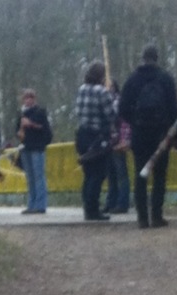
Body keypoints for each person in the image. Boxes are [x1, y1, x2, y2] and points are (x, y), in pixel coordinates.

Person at [119, 44, 177, 228]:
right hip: (161, 135)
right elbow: (174, 109)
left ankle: (142, 218)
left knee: (140, 175)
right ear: (157, 58)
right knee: (160, 176)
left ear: (142, 58)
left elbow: (122, 109)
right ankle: (157, 216)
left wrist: (135, 121)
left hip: (140, 134)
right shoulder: (165, 79)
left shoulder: (132, 80)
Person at [74, 60, 117, 221]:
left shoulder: (81, 89)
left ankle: (87, 206)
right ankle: (93, 208)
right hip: (97, 136)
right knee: (98, 173)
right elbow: (110, 115)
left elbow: (78, 111)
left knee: (88, 173)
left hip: (82, 134)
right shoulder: (102, 92)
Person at [17, 88, 53, 214]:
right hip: (25, 147)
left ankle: (40, 204)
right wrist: (19, 132)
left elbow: (45, 129)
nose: (28, 100)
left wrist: (31, 124)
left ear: (34, 99)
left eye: (30, 97)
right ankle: (31, 204)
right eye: (26, 98)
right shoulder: (21, 113)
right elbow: (18, 130)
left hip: (37, 147)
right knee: (30, 177)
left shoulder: (40, 112)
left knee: (38, 176)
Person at [105, 80, 131, 215]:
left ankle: (122, 203)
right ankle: (111, 202)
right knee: (111, 174)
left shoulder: (118, 102)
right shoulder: (105, 102)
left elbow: (125, 123)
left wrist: (124, 140)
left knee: (121, 174)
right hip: (108, 142)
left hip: (118, 141)